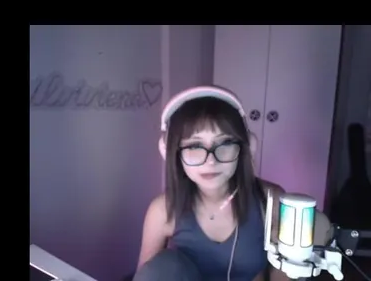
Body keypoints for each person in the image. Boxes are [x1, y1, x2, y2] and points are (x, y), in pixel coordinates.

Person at [135, 86, 333, 281]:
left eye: (225, 143)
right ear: (173, 152)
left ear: (245, 147)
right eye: (194, 146)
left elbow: (282, 277)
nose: (210, 161)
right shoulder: (163, 210)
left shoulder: (269, 201)